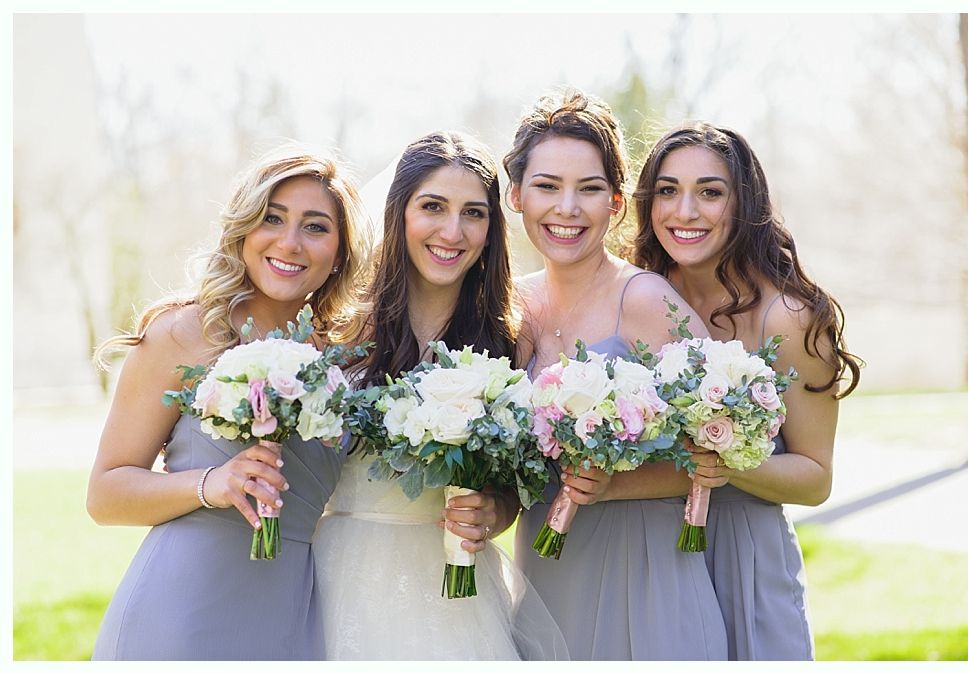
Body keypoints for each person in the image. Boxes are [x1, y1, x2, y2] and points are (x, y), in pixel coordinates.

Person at [87, 143, 370, 660]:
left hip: (292, 613)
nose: (290, 242)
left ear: (340, 254)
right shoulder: (185, 333)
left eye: (315, 226)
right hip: (183, 611)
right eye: (272, 218)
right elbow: (104, 495)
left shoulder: (347, 359)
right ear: (243, 231)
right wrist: (209, 484)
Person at [312, 130, 569, 660]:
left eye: (473, 213)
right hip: (341, 575)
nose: (453, 231)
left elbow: (508, 488)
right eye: (433, 207)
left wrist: (491, 514)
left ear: (491, 230)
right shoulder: (338, 329)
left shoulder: (508, 340)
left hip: (455, 588)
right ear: (399, 213)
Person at [503, 89, 729, 660]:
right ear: (516, 195)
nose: (567, 208)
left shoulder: (649, 299)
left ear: (617, 202)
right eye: (548, 186)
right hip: (547, 571)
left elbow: (727, 445)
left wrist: (617, 483)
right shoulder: (513, 309)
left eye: (590, 189)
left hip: (643, 568)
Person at [632, 121, 864, 660]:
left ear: (744, 204)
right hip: (646, 557)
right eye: (668, 191)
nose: (684, 211)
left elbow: (816, 479)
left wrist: (732, 464)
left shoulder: (788, 317)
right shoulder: (640, 296)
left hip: (745, 558)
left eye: (709, 192)